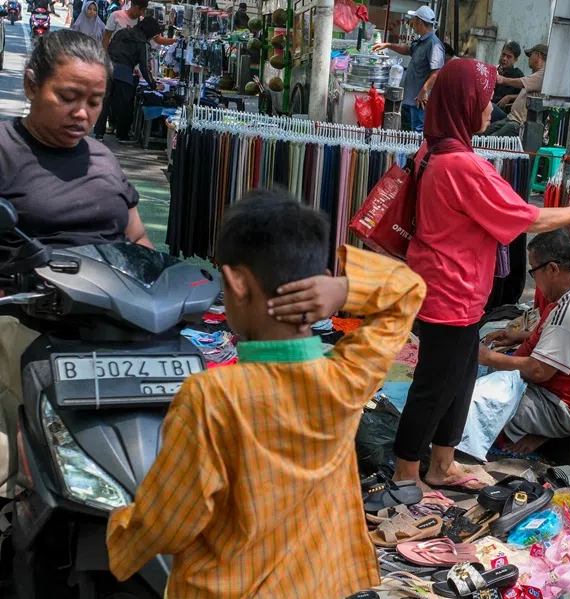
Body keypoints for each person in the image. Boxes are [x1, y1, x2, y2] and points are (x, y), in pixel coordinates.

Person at [107, 190, 425, 598]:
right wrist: (344, 290)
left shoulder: (211, 396)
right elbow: (408, 290)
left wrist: (121, 539)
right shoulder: (347, 378)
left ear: (237, 284)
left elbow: (171, 520)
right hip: (316, 587)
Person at [373, 58, 570, 491]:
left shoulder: (435, 150)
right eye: (485, 99)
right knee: (435, 387)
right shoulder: (461, 165)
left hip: (454, 289)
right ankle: (406, 476)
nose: (491, 107)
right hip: (449, 292)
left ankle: (442, 464)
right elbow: (524, 217)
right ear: (464, 103)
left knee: (459, 377)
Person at [0, 30, 151, 499]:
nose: (82, 114)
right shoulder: (5, 150)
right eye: (68, 97)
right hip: (25, 317)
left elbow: (137, 237)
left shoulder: (104, 159)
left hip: (110, 323)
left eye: (95, 101)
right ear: (31, 86)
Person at [479, 229, 570, 454]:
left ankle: (542, 432)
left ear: (552, 269)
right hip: (559, 395)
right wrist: (519, 337)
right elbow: (556, 339)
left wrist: (490, 357)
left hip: (563, 407)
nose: (535, 279)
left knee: (477, 398)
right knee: (481, 376)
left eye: (534, 271)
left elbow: (540, 370)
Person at [372, 6, 445, 132]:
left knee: (417, 135)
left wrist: (424, 91)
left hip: (419, 102)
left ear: (420, 22)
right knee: (407, 136)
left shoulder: (434, 44)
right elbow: (407, 49)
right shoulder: (422, 41)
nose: (412, 24)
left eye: (414, 20)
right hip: (409, 100)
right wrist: (387, 45)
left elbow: (437, 72)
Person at [106, 16, 161, 144]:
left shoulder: (122, 32)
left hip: (108, 68)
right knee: (126, 104)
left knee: (108, 102)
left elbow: (111, 48)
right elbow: (144, 67)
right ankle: (123, 134)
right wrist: (153, 84)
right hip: (124, 73)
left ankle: (99, 132)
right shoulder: (142, 42)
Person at [485, 43, 547, 137]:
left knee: (490, 141)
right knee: (481, 135)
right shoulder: (535, 75)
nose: (529, 58)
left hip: (517, 123)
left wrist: (503, 80)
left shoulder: (543, 75)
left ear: (538, 55)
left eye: (531, 55)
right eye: (503, 54)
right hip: (510, 118)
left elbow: (521, 82)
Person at [490, 41, 525, 122]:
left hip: (505, 115)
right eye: (503, 54)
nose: (504, 59)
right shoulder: (493, 70)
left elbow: (525, 95)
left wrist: (509, 97)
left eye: (509, 57)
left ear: (515, 59)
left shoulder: (518, 75)